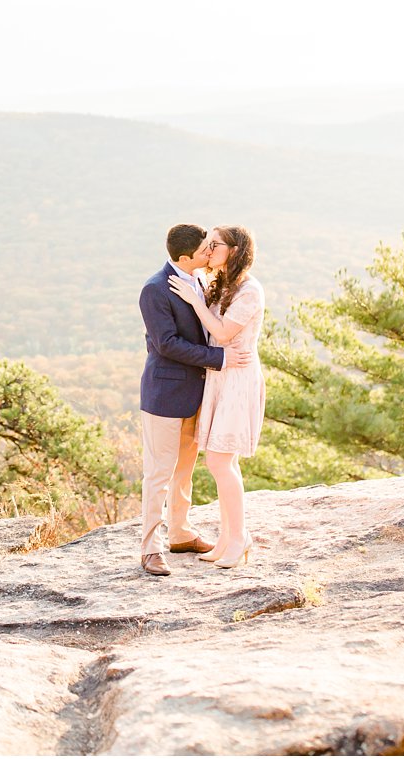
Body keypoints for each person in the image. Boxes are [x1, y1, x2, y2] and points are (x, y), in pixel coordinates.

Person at [137, 224, 252, 576]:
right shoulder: (155, 289)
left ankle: (181, 532)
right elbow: (166, 344)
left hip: (198, 393)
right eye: (206, 249)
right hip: (165, 395)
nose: (211, 253)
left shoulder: (201, 280)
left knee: (184, 470)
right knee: (159, 473)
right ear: (185, 258)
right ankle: (150, 547)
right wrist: (219, 359)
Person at [167, 225, 265, 569]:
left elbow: (223, 332)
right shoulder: (223, 285)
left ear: (235, 250)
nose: (209, 249)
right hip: (219, 378)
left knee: (220, 461)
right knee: (223, 461)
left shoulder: (250, 290)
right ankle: (228, 537)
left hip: (237, 378)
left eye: (216, 244)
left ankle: (239, 538)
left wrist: (194, 300)